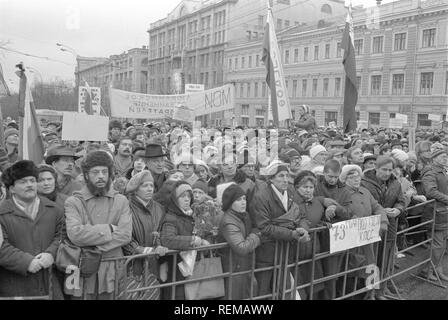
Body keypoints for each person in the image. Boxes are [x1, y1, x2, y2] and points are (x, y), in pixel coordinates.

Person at [64, 150, 132, 299]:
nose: (101, 176)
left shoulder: (121, 201)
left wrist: (90, 246)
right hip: (81, 269)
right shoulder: (73, 201)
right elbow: (75, 234)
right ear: (86, 175)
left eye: (104, 171)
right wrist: (108, 229)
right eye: (95, 172)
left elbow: (125, 235)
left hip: (111, 269)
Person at [0, 160, 64, 298]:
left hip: (49, 283)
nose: (29, 185)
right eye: (23, 182)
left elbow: (61, 236)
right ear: (11, 188)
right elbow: (1, 246)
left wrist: (51, 254)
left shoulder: (54, 210)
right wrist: (26, 262)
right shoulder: (2, 213)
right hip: (14, 286)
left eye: (32, 180)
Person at [249, 162, 311, 299]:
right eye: (281, 176)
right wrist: (291, 234)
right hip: (267, 252)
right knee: (263, 291)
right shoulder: (261, 197)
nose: (285, 179)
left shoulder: (291, 193)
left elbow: (302, 217)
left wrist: (303, 229)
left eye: (287, 175)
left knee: (284, 289)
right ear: (271, 178)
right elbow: (264, 226)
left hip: (285, 251)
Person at [337, 165, 389, 299]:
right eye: (351, 177)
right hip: (350, 241)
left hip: (368, 239)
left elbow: (377, 207)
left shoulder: (365, 191)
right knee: (351, 271)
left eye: (358, 176)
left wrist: (382, 222)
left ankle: (370, 294)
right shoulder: (340, 193)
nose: (356, 179)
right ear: (344, 179)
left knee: (370, 266)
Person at [361, 156, 406, 300]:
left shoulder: (395, 183)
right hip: (371, 227)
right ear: (376, 168)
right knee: (371, 261)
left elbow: (401, 201)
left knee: (385, 260)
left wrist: (398, 210)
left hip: (390, 226)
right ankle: (370, 293)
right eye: (384, 169)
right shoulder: (364, 182)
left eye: (390, 170)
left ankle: (382, 291)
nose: (387, 173)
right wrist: (378, 211)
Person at [159, 181, 210, 300]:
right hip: (176, 270)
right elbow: (167, 239)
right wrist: (192, 240)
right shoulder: (171, 217)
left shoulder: (193, 215)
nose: (187, 199)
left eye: (189, 196)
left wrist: (204, 240)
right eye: (182, 196)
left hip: (192, 268)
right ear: (175, 199)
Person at [293, 171, 334, 300]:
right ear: (297, 188)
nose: (308, 190)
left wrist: (323, 223)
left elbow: (317, 220)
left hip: (313, 250)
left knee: (314, 285)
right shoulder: (291, 203)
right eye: (305, 187)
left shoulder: (317, 203)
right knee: (298, 288)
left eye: (311, 187)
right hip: (296, 251)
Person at [217, 184, 261, 299]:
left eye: (244, 199)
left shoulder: (244, 215)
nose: (243, 202)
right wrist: (257, 236)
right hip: (234, 269)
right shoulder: (229, 221)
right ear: (230, 203)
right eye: (238, 200)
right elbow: (241, 248)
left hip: (244, 267)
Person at [421, 148, 448, 281]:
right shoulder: (430, 172)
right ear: (434, 158)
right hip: (435, 212)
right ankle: (427, 270)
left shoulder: (442, 170)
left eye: (446, 156)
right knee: (437, 244)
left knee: (441, 244)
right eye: (442, 156)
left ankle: (437, 269)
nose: (445, 158)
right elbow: (430, 191)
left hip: (443, 212)